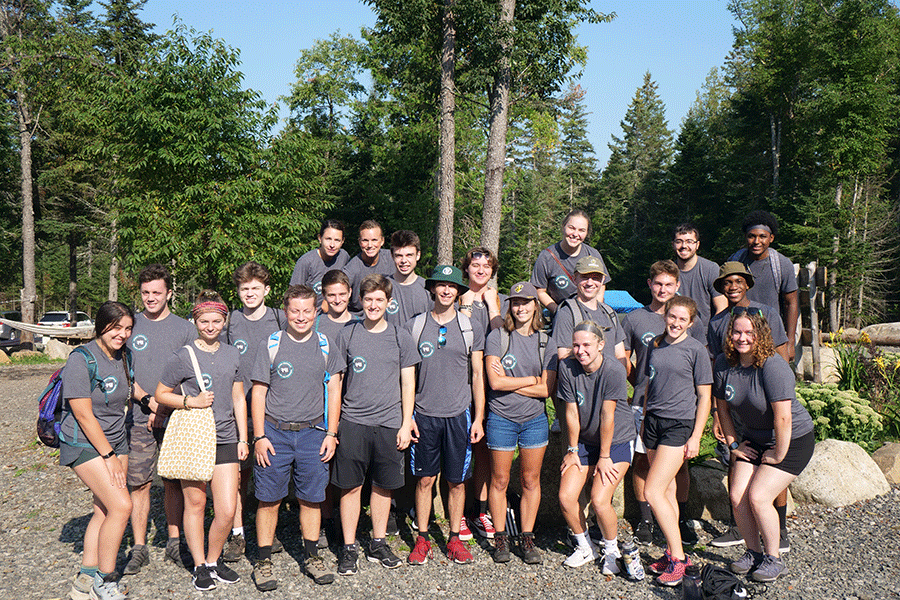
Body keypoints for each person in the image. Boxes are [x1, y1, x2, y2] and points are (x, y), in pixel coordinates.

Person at [155, 292, 248, 592]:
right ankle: (199, 566)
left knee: (226, 508)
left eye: (216, 321)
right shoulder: (182, 355)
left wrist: (243, 436)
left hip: (225, 437)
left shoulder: (233, 353)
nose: (210, 326)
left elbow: (238, 396)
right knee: (195, 503)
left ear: (225, 321)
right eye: (204, 321)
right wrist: (190, 401)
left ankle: (212, 559)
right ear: (195, 321)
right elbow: (161, 393)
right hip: (195, 437)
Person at [327, 274, 419, 575]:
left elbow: (408, 382)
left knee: (383, 486)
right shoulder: (348, 334)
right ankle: (350, 546)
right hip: (353, 422)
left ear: (388, 303)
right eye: (368, 300)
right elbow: (336, 382)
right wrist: (334, 426)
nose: (373, 305)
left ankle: (378, 542)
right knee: (350, 486)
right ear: (361, 301)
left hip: (390, 423)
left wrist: (406, 423)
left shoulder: (400, 335)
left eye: (379, 300)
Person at [714, 311, 814, 582]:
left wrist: (779, 453)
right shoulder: (724, 364)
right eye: (737, 332)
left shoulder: (772, 366)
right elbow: (721, 408)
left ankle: (774, 558)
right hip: (754, 440)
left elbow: (783, 417)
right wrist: (734, 443)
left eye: (749, 333)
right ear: (730, 335)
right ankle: (753, 553)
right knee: (737, 497)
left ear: (760, 335)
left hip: (792, 441)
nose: (742, 338)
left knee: (758, 497)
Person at [249, 285, 336, 590]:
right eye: (294, 311)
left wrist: (331, 432)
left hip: (314, 432)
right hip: (274, 433)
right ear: (285, 311)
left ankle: (312, 556)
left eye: (307, 310)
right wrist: (258, 436)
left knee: (311, 499)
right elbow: (258, 392)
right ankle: (262, 561)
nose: (301, 317)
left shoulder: (325, 345)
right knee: (268, 499)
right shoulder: (270, 344)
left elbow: (334, 389)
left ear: (317, 311)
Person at [708, 264, 792, 553]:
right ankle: (740, 524)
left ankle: (779, 528)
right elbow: (714, 366)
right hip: (735, 403)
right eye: (727, 283)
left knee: (772, 464)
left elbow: (780, 353)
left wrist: (781, 393)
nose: (732, 286)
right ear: (721, 287)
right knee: (737, 459)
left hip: (766, 402)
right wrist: (717, 412)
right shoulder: (717, 322)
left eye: (738, 281)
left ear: (747, 284)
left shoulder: (766, 312)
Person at [406, 265, 485, 565]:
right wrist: (408, 415)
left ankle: (454, 539)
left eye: (451, 287)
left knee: (456, 482)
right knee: (425, 480)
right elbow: (407, 376)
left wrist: (477, 418)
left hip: (458, 414)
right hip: (424, 415)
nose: (446, 291)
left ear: (459, 291)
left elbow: (477, 374)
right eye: (440, 285)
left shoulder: (469, 327)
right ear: (432, 289)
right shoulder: (416, 326)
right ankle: (423, 538)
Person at [124, 264, 195, 576]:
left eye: (156, 292)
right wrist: (146, 401)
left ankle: (174, 541)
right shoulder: (130, 325)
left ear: (169, 293)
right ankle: (139, 547)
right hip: (139, 417)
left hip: (176, 417)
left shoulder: (185, 329)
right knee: (138, 483)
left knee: (174, 481)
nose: (150, 298)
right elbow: (122, 373)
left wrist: (165, 406)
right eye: (145, 293)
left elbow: (192, 373)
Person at [62, 301, 136, 600]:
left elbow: (130, 388)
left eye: (128, 328)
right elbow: (82, 414)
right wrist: (108, 458)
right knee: (122, 506)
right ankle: (104, 582)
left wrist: (156, 400)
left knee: (103, 509)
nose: (122, 334)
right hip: (84, 442)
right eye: (116, 327)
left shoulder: (125, 356)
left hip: (117, 439)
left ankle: (86, 575)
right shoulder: (80, 359)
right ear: (101, 325)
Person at [621, 260, 694, 545]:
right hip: (643, 401)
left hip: (677, 405)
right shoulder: (634, 319)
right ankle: (646, 518)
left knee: (679, 464)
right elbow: (624, 357)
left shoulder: (683, 315)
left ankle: (680, 517)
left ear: (677, 286)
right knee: (642, 460)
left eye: (669, 284)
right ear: (650, 285)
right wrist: (637, 382)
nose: (663, 289)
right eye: (658, 283)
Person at [642, 296, 712, 587]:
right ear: (665, 316)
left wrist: (696, 436)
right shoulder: (655, 345)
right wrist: (645, 417)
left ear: (691, 322)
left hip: (679, 424)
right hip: (653, 422)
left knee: (652, 491)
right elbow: (650, 384)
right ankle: (671, 552)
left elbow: (705, 397)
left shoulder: (696, 350)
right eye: (672, 317)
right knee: (667, 490)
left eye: (683, 319)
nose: (676, 323)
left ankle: (680, 560)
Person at [484, 282, 555, 564]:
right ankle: (500, 536)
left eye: (526, 302)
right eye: (515, 302)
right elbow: (494, 382)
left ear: (535, 304)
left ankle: (527, 537)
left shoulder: (545, 341)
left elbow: (546, 390)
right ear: (509, 305)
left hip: (534, 419)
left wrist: (511, 383)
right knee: (499, 480)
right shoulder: (497, 337)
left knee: (529, 480)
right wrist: (530, 380)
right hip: (501, 417)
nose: (521, 307)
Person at [557, 320, 634, 572]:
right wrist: (572, 449)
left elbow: (607, 416)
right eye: (576, 345)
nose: (581, 350)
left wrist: (604, 456)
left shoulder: (613, 370)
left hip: (616, 440)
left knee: (600, 500)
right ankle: (584, 545)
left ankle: (612, 550)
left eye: (587, 345)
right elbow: (570, 413)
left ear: (601, 345)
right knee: (566, 497)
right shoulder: (567, 367)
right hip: (584, 441)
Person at [221, 262, 286, 564]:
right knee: (236, 475)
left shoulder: (280, 318)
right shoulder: (231, 320)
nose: (250, 293)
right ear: (238, 291)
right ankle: (237, 533)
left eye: (255, 288)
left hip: (272, 410)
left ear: (267, 290)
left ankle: (266, 534)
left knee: (268, 472)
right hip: (236, 410)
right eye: (244, 288)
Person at [458, 246, 505, 539]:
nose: (481, 270)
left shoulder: (495, 299)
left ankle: (481, 509)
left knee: (485, 451)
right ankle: (459, 512)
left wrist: (492, 306)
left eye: (486, 267)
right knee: (461, 451)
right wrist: (465, 303)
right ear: (467, 268)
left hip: (488, 384)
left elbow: (500, 335)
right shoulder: (455, 295)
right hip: (459, 382)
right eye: (476, 265)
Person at [729, 210, 799, 362]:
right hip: (741, 336)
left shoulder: (781, 264)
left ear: (771, 238)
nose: (756, 241)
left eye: (762, 236)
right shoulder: (735, 262)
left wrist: (790, 341)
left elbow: (791, 303)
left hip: (771, 335)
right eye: (751, 236)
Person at [530, 208, 609, 316]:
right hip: (562, 313)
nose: (575, 234)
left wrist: (596, 309)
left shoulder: (593, 254)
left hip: (590, 313)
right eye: (571, 228)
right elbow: (540, 291)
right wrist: (559, 311)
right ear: (563, 227)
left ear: (587, 233)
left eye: (582, 230)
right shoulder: (546, 257)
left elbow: (601, 285)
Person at [672, 223, 727, 343]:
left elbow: (722, 308)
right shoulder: (669, 271)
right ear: (673, 244)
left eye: (689, 241)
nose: (684, 246)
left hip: (704, 338)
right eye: (679, 241)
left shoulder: (710, 269)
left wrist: (714, 337)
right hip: (674, 334)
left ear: (697, 245)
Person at [289, 219, 350, 308]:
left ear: (342, 241)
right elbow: (292, 295)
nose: (332, 245)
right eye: (328, 239)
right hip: (312, 315)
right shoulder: (306, 262)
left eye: (337, 240)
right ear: (320, 238)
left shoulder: (344, 257)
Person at [344, 220, 395, 314]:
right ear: (360, 242)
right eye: (365, 240)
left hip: (389, 312)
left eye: (374, 240)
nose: (370, 245)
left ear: (382, 241)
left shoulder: (393, 259)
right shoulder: (352, 267)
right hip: (360, 315)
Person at [386, 230, 431, 326]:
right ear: (392, 256)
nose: (403, 261)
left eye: (409, 255)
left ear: (418, 255)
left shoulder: (428, 289)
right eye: (399, 256)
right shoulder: (382, 287)